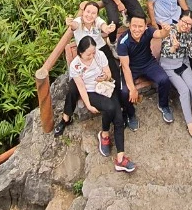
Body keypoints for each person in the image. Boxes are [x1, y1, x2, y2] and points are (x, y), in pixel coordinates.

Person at [54, 36, 136, 173]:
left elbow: (108, 73)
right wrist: (88, 105)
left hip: (105, 87)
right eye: (88, 54)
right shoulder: (75, 65)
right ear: (80, 52)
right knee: (110, 108)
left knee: (118, 118)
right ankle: (104, 134)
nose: (92, 56)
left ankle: (120, 158)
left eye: (93, 52)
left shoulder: (100, 55)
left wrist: (105, 77)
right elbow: (81, 87)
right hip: (91, 91)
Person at [159, 12, 192, 144]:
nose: (186, 25)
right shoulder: (170, 30)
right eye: (184, 21)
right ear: (179, 19)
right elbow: (165, 51)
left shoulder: (188, 33)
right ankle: (190, 124)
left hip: (182, 62)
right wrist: (173, 47)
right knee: (184, 90)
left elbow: (189, 51)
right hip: (169, 65)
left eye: (189, 24)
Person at [117, 14, 176, 127]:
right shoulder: (123, 41)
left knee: (164, 79)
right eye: (134, 26)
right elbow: (125, 67)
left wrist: (166, 30)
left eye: (140, 26)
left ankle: (163, 105)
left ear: (145, 27)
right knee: (124, 92)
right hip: (131, 68)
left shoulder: (148, 31)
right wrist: (132, 89)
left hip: (148, 63)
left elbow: (160, 34)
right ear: (129, 26)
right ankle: (130, 114)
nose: (137, 29)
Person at [68, 0, 119, 82]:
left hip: (101, 48)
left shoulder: (97, 21)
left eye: (93, 13)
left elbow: (103, 26)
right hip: (85, 52)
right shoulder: (78, 21)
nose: (89, 15)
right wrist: (70, 23)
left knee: (115, 74)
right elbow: (74, 25)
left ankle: (118, 87)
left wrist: (108, 29)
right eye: (88, 12)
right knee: (89, 77)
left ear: (97, 15)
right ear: (83, 12)